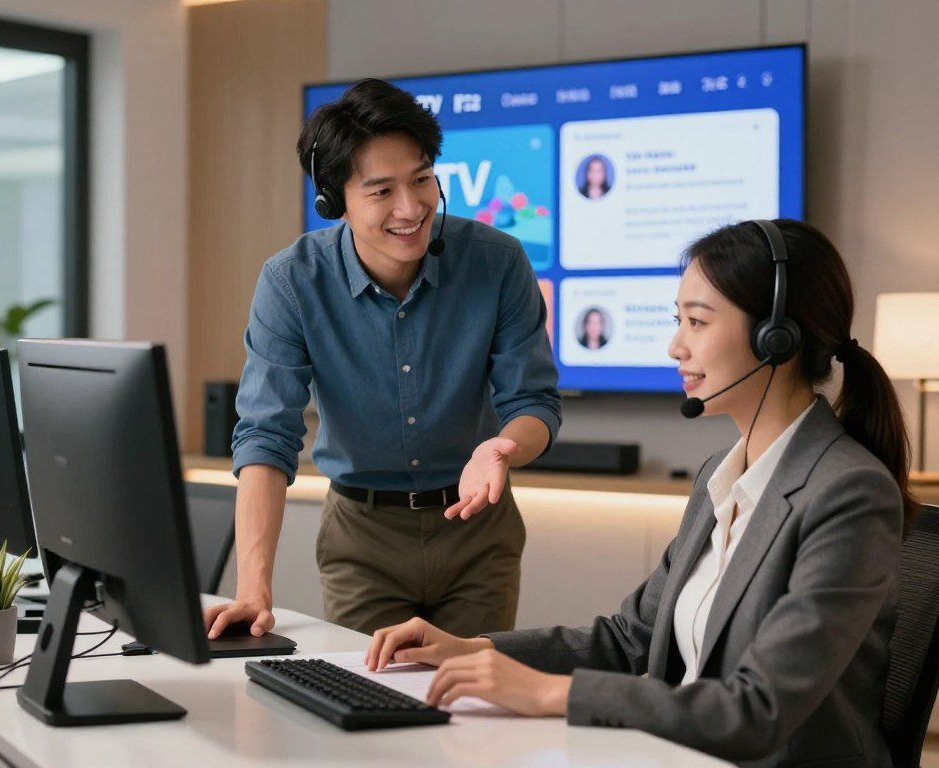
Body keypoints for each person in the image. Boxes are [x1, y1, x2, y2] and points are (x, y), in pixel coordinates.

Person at [366, 219, 916, 767]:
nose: (675, 346)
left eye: (697, 322)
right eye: (679, 321)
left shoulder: (848, 492)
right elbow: (632, 639)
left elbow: (758, 710)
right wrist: (475, 650)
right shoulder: (718, 478)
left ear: (777, 337)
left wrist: (546, 694)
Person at [203, 79, 561, 640]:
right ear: (333, 200)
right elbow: (266, 436)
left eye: (422, 179)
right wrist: (253, 588)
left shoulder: (498, 262)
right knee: (371, 699)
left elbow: (534, 402)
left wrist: (501, 447)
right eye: (381, 191)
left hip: (477, 530)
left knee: (475, 708)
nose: (410, 207)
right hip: (362, 539)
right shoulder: (292, 282)